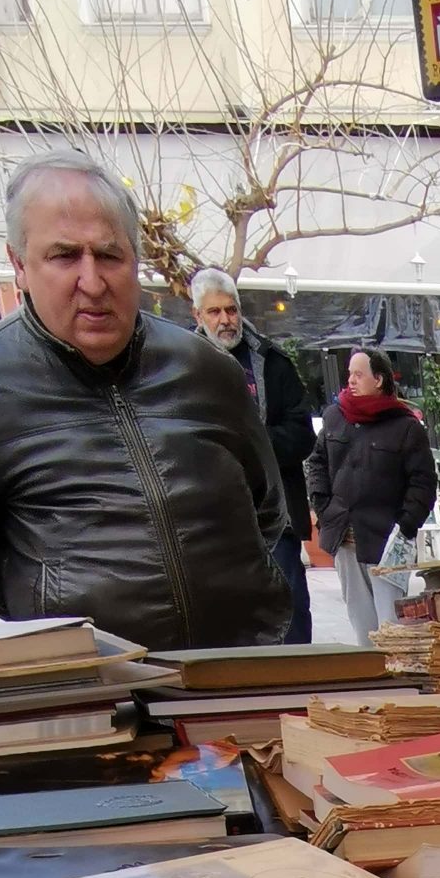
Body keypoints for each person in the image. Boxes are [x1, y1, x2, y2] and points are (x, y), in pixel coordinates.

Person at [0, 153, 289, 647]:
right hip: (95, 677)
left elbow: (266, 509)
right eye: (64, 256)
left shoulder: (208, 369)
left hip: (239, 661)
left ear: (136, 259)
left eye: (110, 255)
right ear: (19, 265)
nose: (92, 282)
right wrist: (47, 607)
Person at [191, 267, 315, 643]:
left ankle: (299, 677)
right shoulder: (178, 366)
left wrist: (249, 444)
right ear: (197, 315)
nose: (225, 320)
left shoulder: (272, 362)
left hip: (275, 520)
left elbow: (302, 435)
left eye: (231, 310)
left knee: (290, 615)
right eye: (214, 312)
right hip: (210, 523)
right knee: (228, 623)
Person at [305, 347, 437, 646]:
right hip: (344, 536)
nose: (351, 380)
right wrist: (323, 509)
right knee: (362, 628)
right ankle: (371, 670)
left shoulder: (405, 426)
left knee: (392, 629)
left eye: (359, 374)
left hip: (386, 541)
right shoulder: (335, 417)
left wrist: (405, 525)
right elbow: (317, 463)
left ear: (378, 379)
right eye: (349, 374)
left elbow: (423, 482)